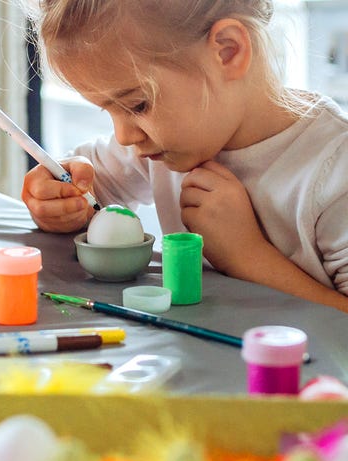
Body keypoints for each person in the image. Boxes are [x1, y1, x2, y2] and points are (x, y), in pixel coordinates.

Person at [20, 0, 348, 313]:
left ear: (228, 51)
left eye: (137, 106)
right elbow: (86, 189)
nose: (123, 136)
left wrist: (247, 256)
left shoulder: (335, 171)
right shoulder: (158, 146)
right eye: (108, 112)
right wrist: (57, 201)